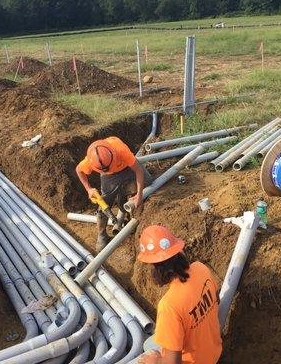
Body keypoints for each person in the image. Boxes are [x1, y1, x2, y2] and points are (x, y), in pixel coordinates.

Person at [137, 225, 222, 364]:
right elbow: (215, 301)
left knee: (148, 348)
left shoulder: (169, 306)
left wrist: (155, 360)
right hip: (214, 354)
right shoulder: (201, 268)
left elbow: (172, 363)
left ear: (154, 266)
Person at [76, 136, 152, 251]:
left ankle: (126, 197)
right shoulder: (90, 160)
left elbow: (138, 170)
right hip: (109, 178)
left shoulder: (120, 150)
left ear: (113, 155)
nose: (107, 168)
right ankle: (101, 235)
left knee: (147, 182)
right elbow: (79, 170)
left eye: (108, 167)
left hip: (127, 168)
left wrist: (139, 195)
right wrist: (88, 189)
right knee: (104, 201)